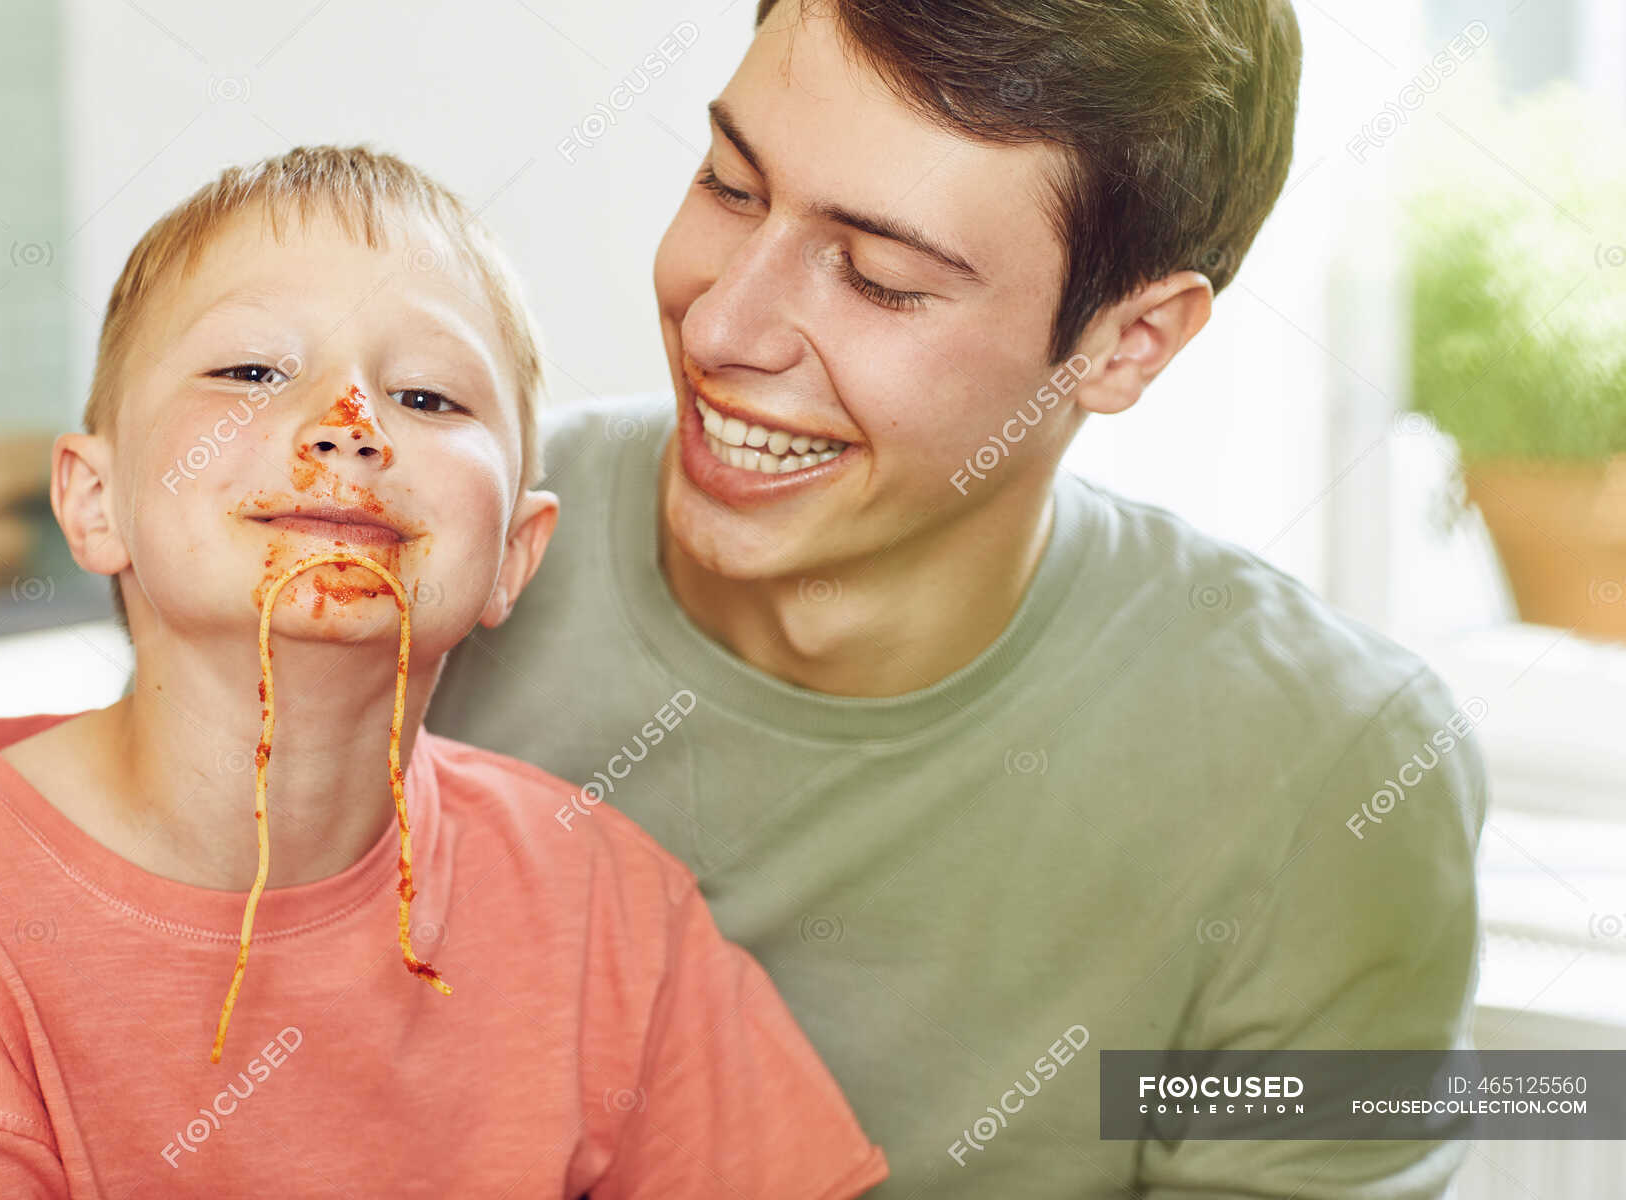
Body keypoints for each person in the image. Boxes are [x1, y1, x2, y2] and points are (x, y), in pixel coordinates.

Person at [432, 2, 1488, 1196]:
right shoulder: (409, 558)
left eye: (881, 280)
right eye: (731, 186)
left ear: (1130, 341)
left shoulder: (1342, 777)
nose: (720, 324)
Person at [0, 146, 888, 1199]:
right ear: (94, 501)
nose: (348, 429)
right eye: (250, 372)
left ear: (514, 555)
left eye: (428, 396)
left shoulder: (604, 901)